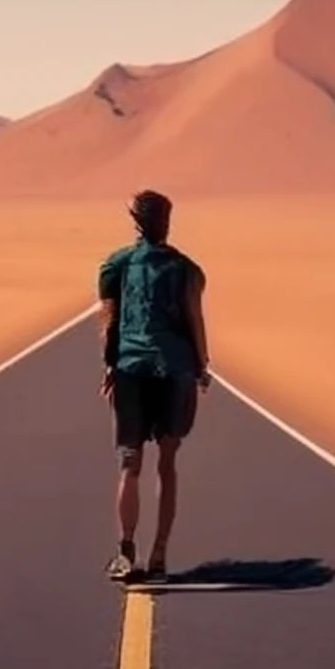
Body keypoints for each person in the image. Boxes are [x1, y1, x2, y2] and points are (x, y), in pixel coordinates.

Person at [96, 190, 210, 581]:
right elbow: (195, 320)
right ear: (166, 221)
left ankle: (126, 551)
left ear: (135, 223)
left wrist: (109, 365)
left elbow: (108, 321)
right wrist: (202, 365)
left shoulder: (116, 265)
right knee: (167, 463)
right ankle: (158, 554)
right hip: (175, 370)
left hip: (130, 367)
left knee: (130, 463)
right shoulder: (187, 269)